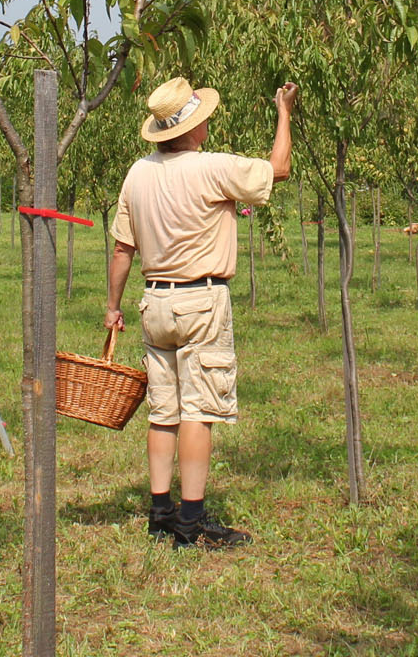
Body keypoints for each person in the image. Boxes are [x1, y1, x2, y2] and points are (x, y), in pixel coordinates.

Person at [105, 76, 296, 549]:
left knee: (163, 410)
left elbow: (122, 248)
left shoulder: (138, 174)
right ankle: (191, 525)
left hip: (155, 302)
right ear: (192, 128)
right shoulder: (211, 168)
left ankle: (160, 512)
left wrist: (112, 307)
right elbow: (279, 168)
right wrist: (285, 113)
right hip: (201, 301)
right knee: (198, 410)